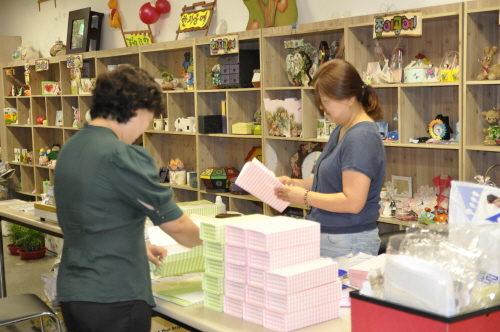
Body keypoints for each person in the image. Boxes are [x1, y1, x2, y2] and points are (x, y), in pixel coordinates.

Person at [54, 64, 202, 332]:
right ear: (137, 109)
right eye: (150, 116)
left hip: (74, 291)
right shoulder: (122, 155)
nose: (147, 126)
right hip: (115, 296)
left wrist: (133, 245)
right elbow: (177, 226)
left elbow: (94, 213)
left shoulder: (70, 148)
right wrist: (222, 244)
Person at [274, 59, 386, 259]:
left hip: (347, 241)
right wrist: (294, 184)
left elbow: (353, 202)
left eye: (326, 101)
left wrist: (303, 197)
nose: (322, 108)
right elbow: (329, 182)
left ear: (349, 98)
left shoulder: (361, 136)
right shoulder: (342, 129)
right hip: (333, 238)